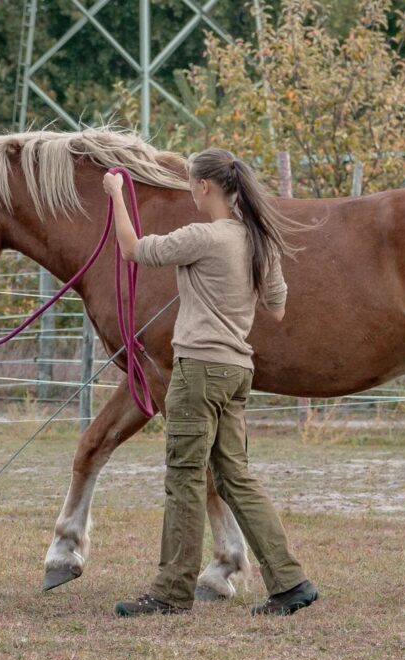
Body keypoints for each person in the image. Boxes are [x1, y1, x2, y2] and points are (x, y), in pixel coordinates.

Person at [105, 148, 318, 617]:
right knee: (236, 475)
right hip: (237, 371)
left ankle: (170, 592)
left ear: (204, 187)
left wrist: (116, 195)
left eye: (190, 184)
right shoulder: (259, 240)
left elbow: (131, 249)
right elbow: (277, 309)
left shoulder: (203, 236)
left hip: (199, 370)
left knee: (183, 475)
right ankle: (289, 581)